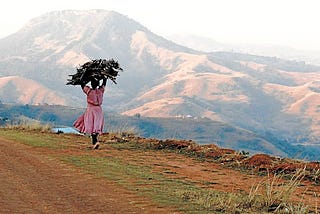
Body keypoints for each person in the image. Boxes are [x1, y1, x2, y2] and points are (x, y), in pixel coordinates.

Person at [73, 78, 107, 149]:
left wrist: (83, 77)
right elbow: (104, 84)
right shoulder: (100, 91)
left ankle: (95, 142)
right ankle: (95, 141)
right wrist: (104, 78)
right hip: (98, 111)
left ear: (91, 84)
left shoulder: (89, 91)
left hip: (91, 110)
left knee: (91, 125)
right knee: (96, 126)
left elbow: (82, 85)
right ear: (98, 84)